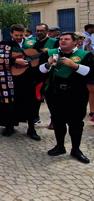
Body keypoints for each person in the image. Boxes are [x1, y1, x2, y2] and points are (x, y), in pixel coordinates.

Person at [40, 32, 94, 163]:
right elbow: (40, 70)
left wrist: (74, 66)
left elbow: (91, 72)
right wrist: (48, 64)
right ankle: (60, 146)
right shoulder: (51, 53)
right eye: (61, 39)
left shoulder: (85, 55)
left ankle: (76, 149)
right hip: (55, 94)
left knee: (75, 123)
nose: (63, 41)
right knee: (58, 121)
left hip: (76, 95)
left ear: (75, 42)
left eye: (67, 39)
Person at [0, 24, 41, 141]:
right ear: (11, 34)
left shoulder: (31, 43)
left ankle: (31, 129)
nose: (19, 37)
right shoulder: (4, 44)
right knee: (10, 103)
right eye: (16, 35)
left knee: (31, 104)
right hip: (10, 79)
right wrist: (14, 60)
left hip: (28, 78)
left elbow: (38, 58)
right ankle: (9, 126)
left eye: (21, 35)